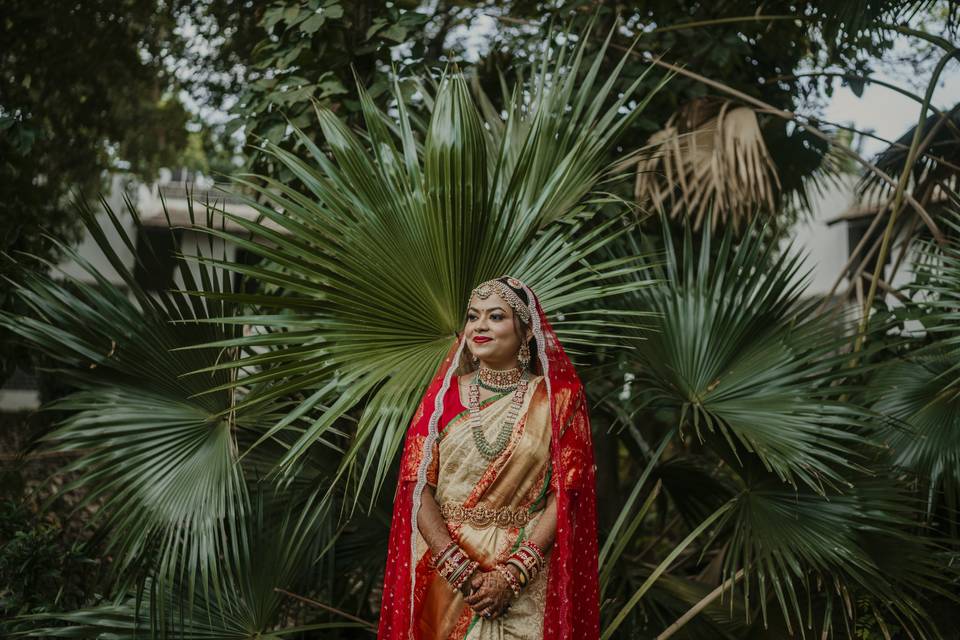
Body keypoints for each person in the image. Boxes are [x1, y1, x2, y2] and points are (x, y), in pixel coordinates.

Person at [378, 276, 600, 639]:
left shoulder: (558, 400)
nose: (480, 326)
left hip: (524, 576)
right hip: (445, 569)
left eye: (495, 316)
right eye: (473, 316)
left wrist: (513, 574)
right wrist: (461, 571)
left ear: (527, 331)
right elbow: (416, 488)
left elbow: (567, 492)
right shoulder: (440, 400)